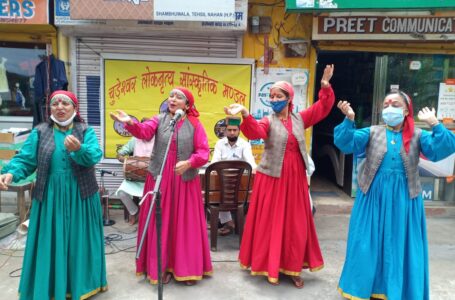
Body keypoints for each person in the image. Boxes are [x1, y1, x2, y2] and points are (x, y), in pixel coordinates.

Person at [335, 92, 455, 300]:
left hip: (405, 200)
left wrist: (435, 124)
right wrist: (349, 119)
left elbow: (443, 148)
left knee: (399, 246)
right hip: (372, 197)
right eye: (387, 103)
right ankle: (363, 288)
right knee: (365, 244)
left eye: (395, 104)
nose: (390, 107)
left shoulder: (418, 135)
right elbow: (345, 143)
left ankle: (395, 290)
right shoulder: (372, 132)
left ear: (406, 110)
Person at [224, 64, 335, 288]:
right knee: (270, 222)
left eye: (278, 96)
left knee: (295, 223)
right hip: (271, 178)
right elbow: (254, 132)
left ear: (289, 98)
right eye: (271, 96)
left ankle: (294, 267)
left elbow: (323, 108)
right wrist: (246, 114)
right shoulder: (267, 121)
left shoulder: (300, 118)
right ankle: (268, 265)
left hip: (295, 178)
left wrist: (325, 86)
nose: (273, 99)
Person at [0, 90, 107, 299]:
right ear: (50, 108)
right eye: (55, 103)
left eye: (65, 103)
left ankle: (80, 285)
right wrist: (11, 173)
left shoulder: (85, 131)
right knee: (50, 241)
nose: (60, 107)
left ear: (74, 108)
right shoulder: (40, 131)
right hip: (50, 195)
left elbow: (94, 155)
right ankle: (51, 285)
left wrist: (80, 149)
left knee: (79, 241)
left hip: (81, 194)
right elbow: (26, 159)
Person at [110, 87, 212, 286]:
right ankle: (161, 267)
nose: (173, 99)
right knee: (161, 221)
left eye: (179, 97)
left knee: (184, 223)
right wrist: (130, 123)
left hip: (184, 179)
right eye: (171, 96)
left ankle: (187, 268)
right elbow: (144, 132)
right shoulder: (159, 119)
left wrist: (190, 162)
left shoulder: (195, 124)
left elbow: (203, 151)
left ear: (187, 105)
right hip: (160, 177)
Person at [211, 119, 257, 236]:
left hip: (240, 183)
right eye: (229, 130)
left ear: (239, 131)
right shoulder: (219, 144)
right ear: (225, 131)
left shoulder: (245, 145)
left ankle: (237, 223)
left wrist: (254, 169)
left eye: (234, 130)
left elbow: (250, 163)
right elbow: (214, 162)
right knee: (216, 193)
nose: (232, 133)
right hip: (222, 181)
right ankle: (228, 222)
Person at [116, 118, 155, 224]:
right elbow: (120, 153)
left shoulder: (159, 140)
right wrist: (126, 160)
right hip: (135, 179)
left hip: (153, 178)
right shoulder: (135, 139)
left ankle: (151, 217)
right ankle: (134, 212)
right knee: (121, 192)